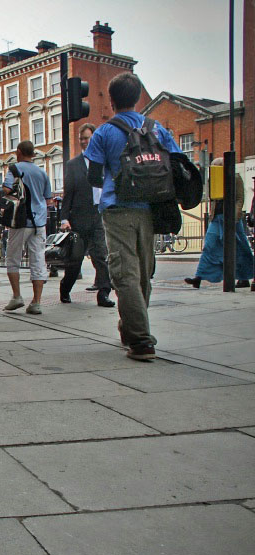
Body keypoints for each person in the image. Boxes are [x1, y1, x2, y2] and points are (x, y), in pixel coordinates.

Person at [85, 72, 181, 361]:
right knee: (142, 274)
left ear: (111, 101)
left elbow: (93, 176)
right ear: (139, 97)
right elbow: (176, 163)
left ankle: (140, 341)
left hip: (117, 210)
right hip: (151, 210)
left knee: (124, 273)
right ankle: (131, 329)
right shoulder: (157, 129)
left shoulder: (104, 132)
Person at [60, 123, 116, 308]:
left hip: (98, 214)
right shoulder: (73, 165)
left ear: (94, 139)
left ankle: (104, 293)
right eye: (82, 138)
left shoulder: (103, 161)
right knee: (75, 261)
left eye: (87, 138)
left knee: (101, 255)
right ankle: (65, 288)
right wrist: (64, 218)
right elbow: (68, 193)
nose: (84, 142)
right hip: (79, 217)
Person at [184, 159, 253, 289]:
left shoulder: (235, 178)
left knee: (240, 247)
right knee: (209, 246)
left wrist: (235, 217)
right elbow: (213, 199)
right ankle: (198, 277)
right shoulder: (215, 180)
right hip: (217, 218)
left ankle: (244, 278)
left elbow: (239, 199)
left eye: (217, 167)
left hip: (232, 218)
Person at [2, 141, 52, 315]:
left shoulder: (15, 169)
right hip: (39, 222)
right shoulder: (42, 172)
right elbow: (48, 198)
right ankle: (36, 302)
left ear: (19, 151)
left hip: (20, 220)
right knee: (38, 259)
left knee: (12, 258)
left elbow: (7, 189)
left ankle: (17, 296)